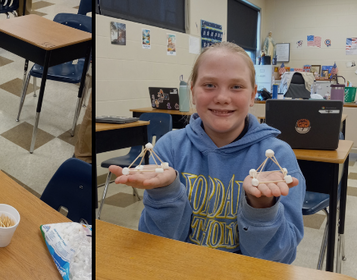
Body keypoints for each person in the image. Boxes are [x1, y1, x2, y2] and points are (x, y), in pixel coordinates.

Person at [108, 41, 304, 261]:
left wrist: (262, 206)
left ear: (252, 96)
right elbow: (156, 245)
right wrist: (165, 192)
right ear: (192, 92)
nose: (222, 97)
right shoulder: (169, 148)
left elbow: (280, 258)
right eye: (209, 85)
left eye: (236, 86)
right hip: (180, 275)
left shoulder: (278, 157)